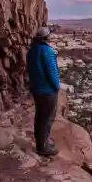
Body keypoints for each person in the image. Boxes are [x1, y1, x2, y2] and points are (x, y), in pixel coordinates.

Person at [26, 26, 60, 157]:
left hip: (37, 90)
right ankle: (43, 147)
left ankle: (42, 144)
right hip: (48, 91)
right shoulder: (47, 51)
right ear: (46, 38)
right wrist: (56, 87)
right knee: (47, 119)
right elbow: (52, 72)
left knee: (39, 117)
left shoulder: (31, 51)